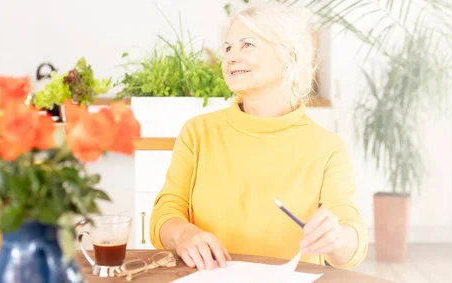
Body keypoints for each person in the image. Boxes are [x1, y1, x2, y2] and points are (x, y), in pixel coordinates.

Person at [149, 3, 368, 271]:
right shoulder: (197, 133)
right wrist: (183, 235)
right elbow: (166, 212)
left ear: (289, 57)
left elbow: (350, 242)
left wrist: (336, 239)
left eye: (247, 45)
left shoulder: (326, 148)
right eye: (227, 48)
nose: (230, 57)